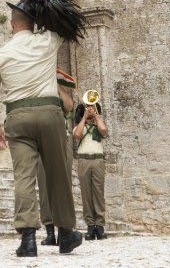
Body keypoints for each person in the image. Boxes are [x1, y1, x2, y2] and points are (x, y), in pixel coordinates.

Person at [0, 0, 87, 257]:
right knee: (58, 174)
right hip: (50, 113)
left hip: (17, 117)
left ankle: (27, 239)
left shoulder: (1, 53)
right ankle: (66, 234)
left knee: (24, 177)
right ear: (33, 23)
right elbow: (61, 19)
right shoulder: (46, 42)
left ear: (13, 24)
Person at [36, 71, 77, 246]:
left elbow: (69, 106)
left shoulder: (59, 95)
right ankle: (50, 231)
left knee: (63, 185)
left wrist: (57, 86)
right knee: (45, 187)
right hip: (42, 141)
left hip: (61, 140)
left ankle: (64, 231)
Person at [72, 95, 108, 240]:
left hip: (98, 160)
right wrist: (85, 117)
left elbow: (104, 131)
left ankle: (99, 226)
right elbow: (77, 135)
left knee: (98, 193)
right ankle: (90, 225)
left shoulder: (98, 125)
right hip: (84, 160)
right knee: (86, 194)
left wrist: (96, 116)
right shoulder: (78, 125)